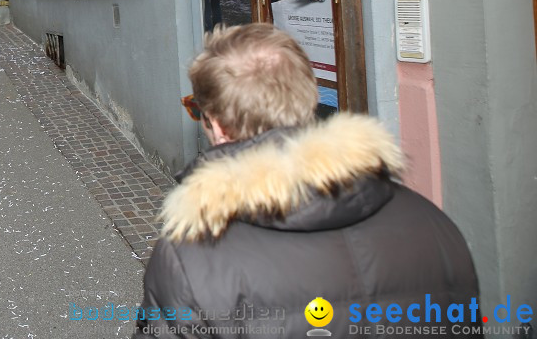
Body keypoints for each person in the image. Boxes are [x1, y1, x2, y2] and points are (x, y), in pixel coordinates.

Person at [136, 23, 479, 336]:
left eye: (198, 111)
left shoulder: (190, 256)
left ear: (219, 125)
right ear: (308, 100)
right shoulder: (432, 222)